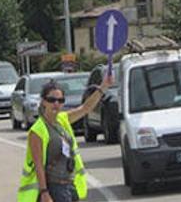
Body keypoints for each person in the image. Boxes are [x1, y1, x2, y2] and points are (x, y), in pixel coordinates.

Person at [17, 72, 114, 202]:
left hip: (69, 184)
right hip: (54, 188)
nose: (56, 104)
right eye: (52, 100)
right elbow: (38, 165)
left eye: (60, 100)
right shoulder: (37, 131)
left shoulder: (62, 119)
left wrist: (103, 87)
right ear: (43, 101)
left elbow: (85, 108)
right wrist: (44, 193)